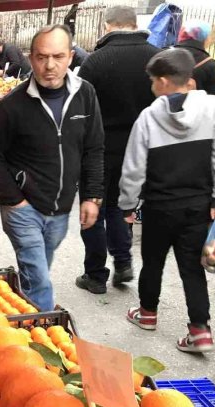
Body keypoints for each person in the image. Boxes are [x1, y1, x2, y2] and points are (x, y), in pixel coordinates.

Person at [0, 24, 104, 311]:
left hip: (60, 210)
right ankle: (44, 340)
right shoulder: (13, 105)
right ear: (31, 57)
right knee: (39, 280)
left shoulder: (85, 94)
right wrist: (15, 200)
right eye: (41, 57)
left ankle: (19, 319)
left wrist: (92, 196)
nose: (50, 65)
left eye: (58, 56)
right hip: (23, 210)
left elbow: (94, 148)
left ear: (71, 57)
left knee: (35, 272)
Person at [120, 49, 215, 353]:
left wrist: (127, 205)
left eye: (152, 82)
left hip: (159, 206)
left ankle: (147, 314)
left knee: (153, 262)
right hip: (199, 206)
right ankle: (200, 331)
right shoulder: (214, 109)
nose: (151, 88)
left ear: (162, 81)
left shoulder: (148, 116)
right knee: (192, 268)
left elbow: (133, 167)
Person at [76, 6, 159, 294]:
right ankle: (123, 261)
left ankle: (95, 275)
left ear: (108, 26)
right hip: (140, 148)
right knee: (119, 205)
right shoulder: (157, 58)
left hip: (98, 149)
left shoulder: (95, 62)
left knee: (93, 205)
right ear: (135, 24)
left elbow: (78, 109)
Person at [175, 21, 215, 116]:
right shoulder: (207, 63)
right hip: (194, 116)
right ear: (203, 39)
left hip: (168, 112)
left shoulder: (166, 54)